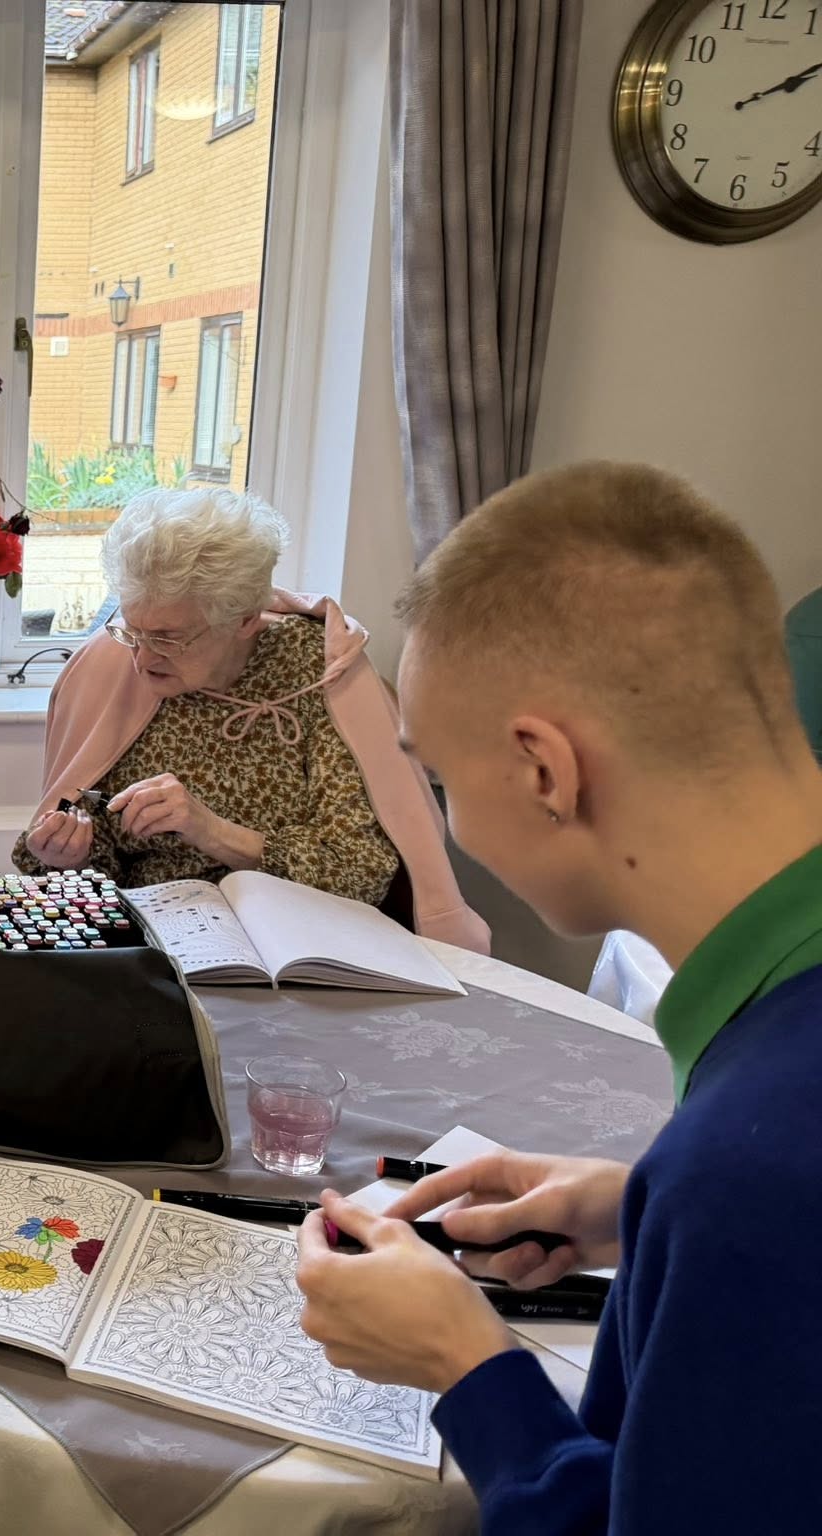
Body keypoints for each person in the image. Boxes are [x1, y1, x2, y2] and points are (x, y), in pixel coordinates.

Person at [294, 462, 822, 1531]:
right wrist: (638, 1215)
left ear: (544, 771)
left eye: (441, 780)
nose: (447, 819)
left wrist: (467, 1368)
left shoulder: (747, 1178)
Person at [17, 487, 486, 949]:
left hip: (304, 941)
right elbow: (95, 869)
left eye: (168, 638)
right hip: (157, 943)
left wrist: (213, 832)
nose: (141, 658)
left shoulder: (316, 673)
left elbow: (361, 871)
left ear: (244, 620)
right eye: (132, 631)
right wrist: (70, 856)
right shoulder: (110, 668)